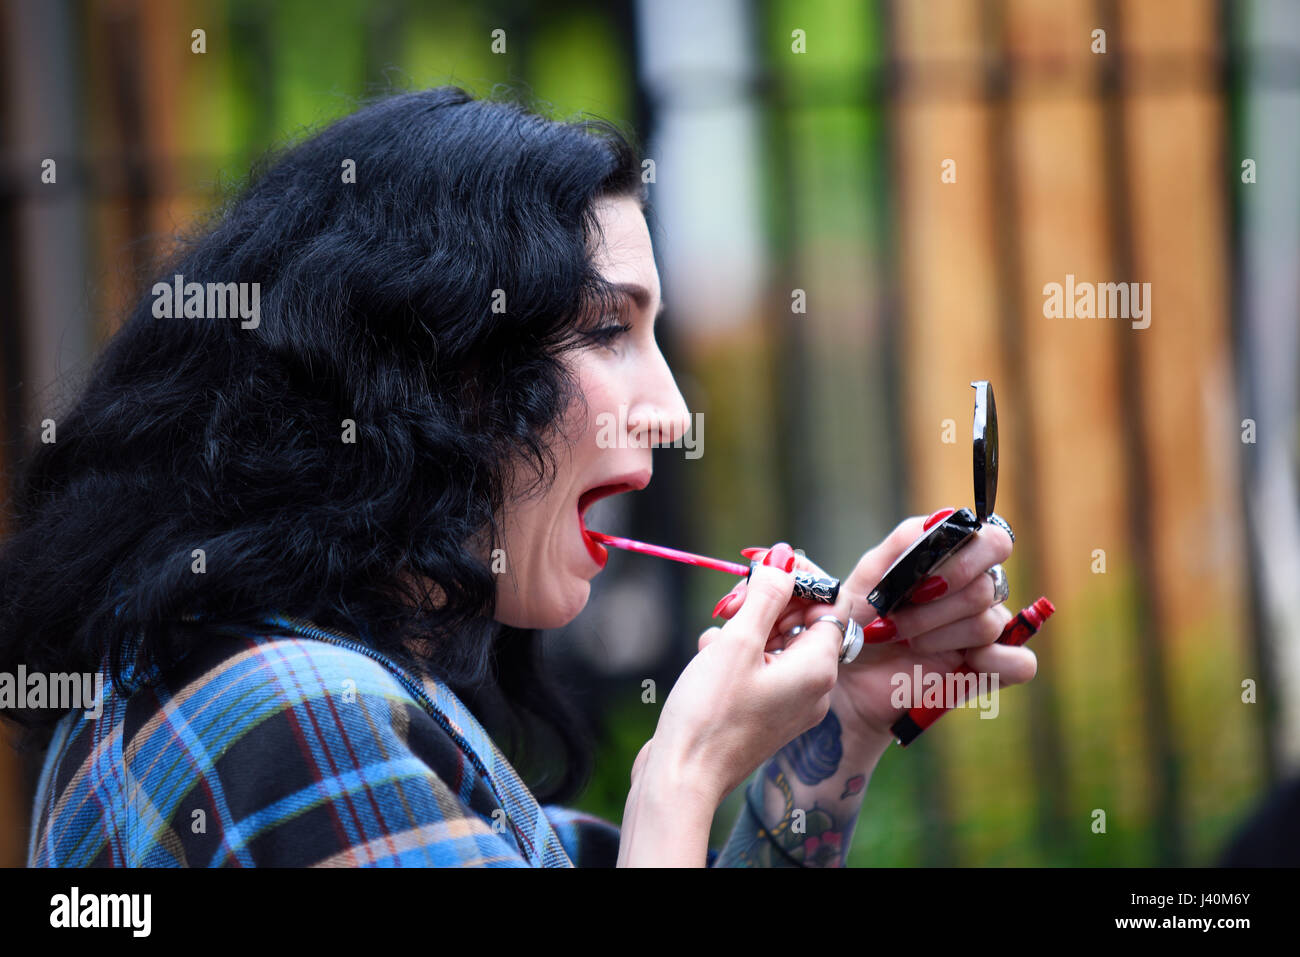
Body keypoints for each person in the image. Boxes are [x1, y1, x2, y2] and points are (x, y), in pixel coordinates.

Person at [0, 86, 1032, 867]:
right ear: (433, 368)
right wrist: (679, 776)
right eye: (603, 330)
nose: (671, 411)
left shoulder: (335, 689)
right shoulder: (298, 709)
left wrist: (840, 723)